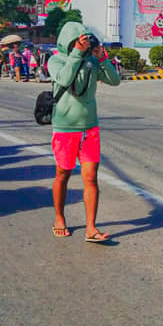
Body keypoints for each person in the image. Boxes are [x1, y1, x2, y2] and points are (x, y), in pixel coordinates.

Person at [48, 23, 120, 241]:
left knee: (91, 178)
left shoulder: (91, 60)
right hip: (65, 128)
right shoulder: (56, 60)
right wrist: (77, 54)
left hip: (90, 128)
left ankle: (91, 227)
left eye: (85, 42)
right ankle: (59, 217)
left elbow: (114, 81)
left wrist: (102, 59)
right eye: (78, 41)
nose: (83, 45)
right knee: (63, 174)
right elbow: (63, 79)